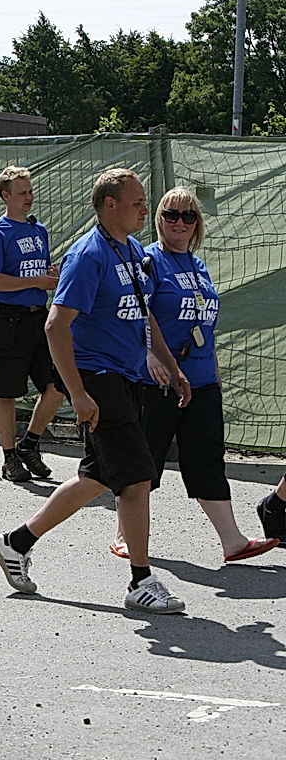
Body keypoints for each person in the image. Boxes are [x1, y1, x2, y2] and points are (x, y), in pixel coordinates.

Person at [0, 168, 192, 614]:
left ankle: (15, 543)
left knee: (100, 475)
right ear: (110, 205)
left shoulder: (133, 250)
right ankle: (141, 580)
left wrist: (171, 366)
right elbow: (55, 325)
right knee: (137, 476)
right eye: (138, 202)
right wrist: (77, 393)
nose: (145, 208)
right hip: (97, 378)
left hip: (126, 376)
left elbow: (144, 316)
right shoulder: (88, 255)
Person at [106, 187, 277, 562]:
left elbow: (205, 321)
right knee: (143, 461)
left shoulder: (197, 266)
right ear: (159, 219)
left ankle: (232, 540)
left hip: (201, 379)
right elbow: (137, 311)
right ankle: (124, 534)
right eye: (171, 215)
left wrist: (211, 365)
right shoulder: (149, 259)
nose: (180, 222)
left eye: (188, 216)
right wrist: (151, 354)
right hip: (158, 381)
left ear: (197, 223)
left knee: (206, 456)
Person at [0, 166, 64, 482]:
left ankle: (29, 443)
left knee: (55, 385)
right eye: (21, 193)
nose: (28, 198)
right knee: (7, 392)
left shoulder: (37, 230)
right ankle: (9, 456)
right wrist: (35, 280)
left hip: (37, 318)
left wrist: (50, 275)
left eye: (29, 191)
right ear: (5, 196)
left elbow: (40, 272)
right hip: (6, 319)